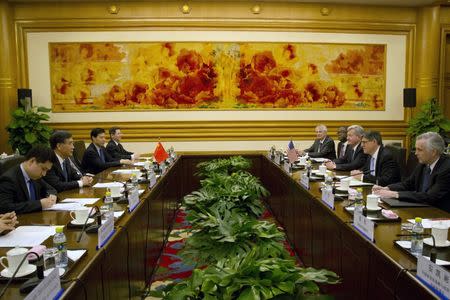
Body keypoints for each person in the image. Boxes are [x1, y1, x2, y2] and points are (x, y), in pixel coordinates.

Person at [373, 132, 450, 212]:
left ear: (434, 152)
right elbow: (408, 183)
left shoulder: (447, 168)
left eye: (419, 150)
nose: (416, 153)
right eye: (415, 149)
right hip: (421, 209)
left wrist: (395, 194)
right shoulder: (423, 164)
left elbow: (430, 196)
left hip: (440, 214)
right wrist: (387, 188)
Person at [0, 145, 57, 214]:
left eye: (47, 170)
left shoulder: (35, 176)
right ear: (32, 161)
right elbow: (5, 208)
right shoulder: (8, 179)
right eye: (43, 169)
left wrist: (52, 196)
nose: (44, 174)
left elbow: (50, 189)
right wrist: (39, 204)